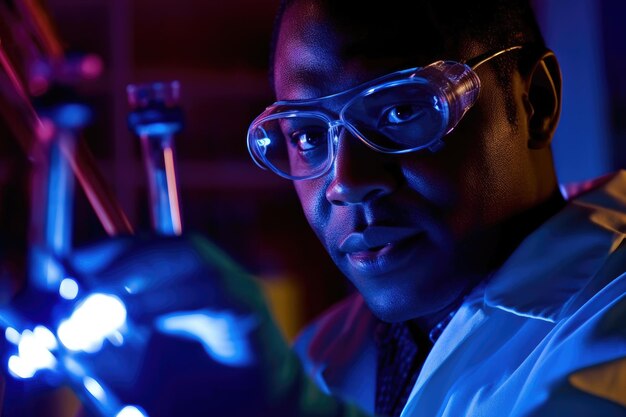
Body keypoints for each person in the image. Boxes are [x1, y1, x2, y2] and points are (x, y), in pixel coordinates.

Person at [2, 0, 626, 416]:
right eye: (305, 135)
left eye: (402, 110)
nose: (346, 182)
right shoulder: (326, 352)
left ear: (536, 101)